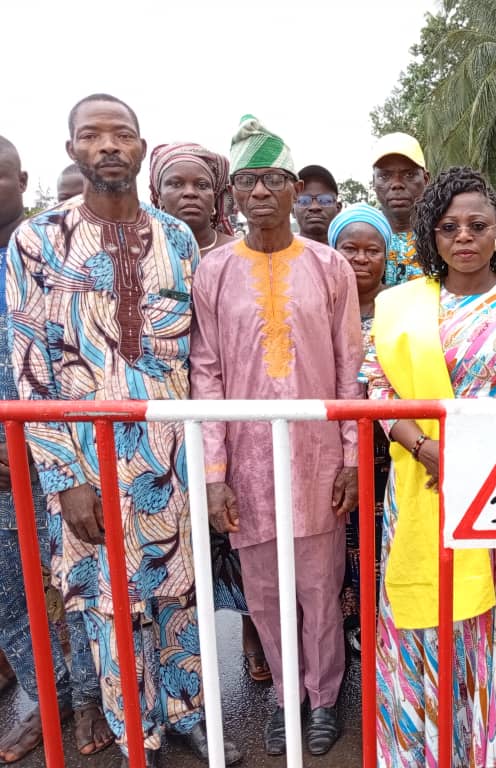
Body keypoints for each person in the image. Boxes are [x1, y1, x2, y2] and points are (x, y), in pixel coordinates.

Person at [6, 94, 240, 767]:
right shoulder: (37, 241)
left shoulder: (175, 237)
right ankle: (137, 737)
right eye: (91, 135)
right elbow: (29, 367)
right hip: (86, 461)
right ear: (73, 150)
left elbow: (199, 358)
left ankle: (189, 719)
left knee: (179, 602)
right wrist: (65, 478)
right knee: (110, 612)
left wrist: (208, 465)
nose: (108, 145)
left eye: (122, 135)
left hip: (171, 462)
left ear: (141, 148)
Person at [364, 166, 496, 767]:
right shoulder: (399, 305)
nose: (464, 237)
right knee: (427, 631)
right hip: (424, 488)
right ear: (431, 237)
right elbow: (378, 392)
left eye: (478, 225)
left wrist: (490, 455)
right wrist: (425, 447)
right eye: (448, 227)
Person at [190, 115, 361, 757]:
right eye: (247, 181)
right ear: (232, 193)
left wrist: (350, 458)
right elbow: (204, 373)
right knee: (265, 591)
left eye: (274, 179)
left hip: (318, 461)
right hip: (245, 463)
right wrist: (212, 474)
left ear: (294, 189)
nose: (261, 192)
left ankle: (322, 699)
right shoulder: (213, 271)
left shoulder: (329, 265)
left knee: (319, 587)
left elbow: (350, 367)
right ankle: (285, 696)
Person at [0, 135, 113, 763]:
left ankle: (92, 695)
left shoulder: (56, 248)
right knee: (12, 595)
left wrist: (59, 461)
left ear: (21, 178)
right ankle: (52, 700)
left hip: (66, 452)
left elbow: (67, 361)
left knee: (82, 583)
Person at [147, 140, 271, 684]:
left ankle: (255, 640)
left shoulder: (239, 252)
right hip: (164, 424)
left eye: (201, 184)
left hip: (235, 419)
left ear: (220, 192)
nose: (189, 194)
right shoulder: (143, 252)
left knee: (242, 538)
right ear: (156, 191)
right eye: (176, 183)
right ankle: (184, 685)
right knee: (178, 556)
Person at [326, 203, 392, 657]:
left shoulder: (400, 305)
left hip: (394, 448)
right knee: (344, 549)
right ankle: (354, 634)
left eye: (373, 250)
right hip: (335, 450)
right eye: (350, 248)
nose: (361, 258)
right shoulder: (322, 304)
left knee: (384, 542)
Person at [371, 132, 429, 285]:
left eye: (409, 174)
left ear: (426, 179)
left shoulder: (444, 236)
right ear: (373, 183)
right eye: (385, 176)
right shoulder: (358, 239)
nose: (397, 184)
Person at [295, 164, 341, 245]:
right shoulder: (277, 253)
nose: (314, 207)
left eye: (325, 200)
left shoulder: (351, 254)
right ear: (292, 210)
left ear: (338, 208)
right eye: (304, 201)